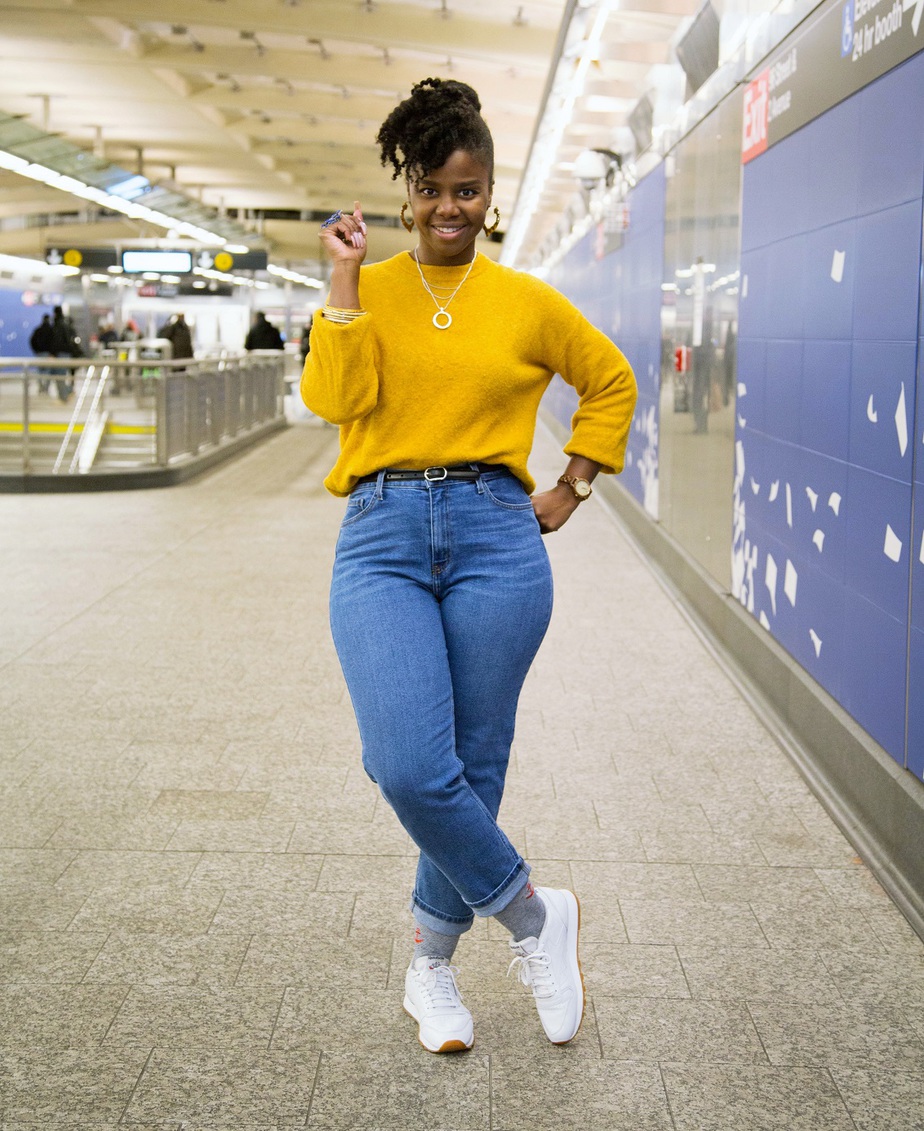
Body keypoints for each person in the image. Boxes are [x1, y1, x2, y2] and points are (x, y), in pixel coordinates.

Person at [301, 77, 637, 1055]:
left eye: (470, 189)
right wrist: (341, 285)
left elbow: (609, 378)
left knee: (471, 767)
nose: (451, 208)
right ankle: (535, 916)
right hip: (381, 532)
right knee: (406, 759)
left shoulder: (527, 302)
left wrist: (573, 483)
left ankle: (431, 968)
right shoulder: (370, 287)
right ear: (406, 190)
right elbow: (333, 399)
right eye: (434, 189)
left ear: (492, 192)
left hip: (498, 535)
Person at [29, 313, 54, 393]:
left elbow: (32, 341)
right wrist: (52, 352)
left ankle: (41, 387)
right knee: (48, 371)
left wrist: (36, 350)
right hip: (48, 354)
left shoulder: (38, 330)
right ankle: (46, 388)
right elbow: (54, 342)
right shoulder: (51, 330)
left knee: (39, 371)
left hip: (39, 354)